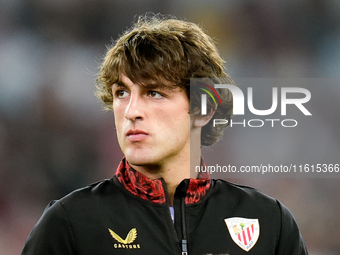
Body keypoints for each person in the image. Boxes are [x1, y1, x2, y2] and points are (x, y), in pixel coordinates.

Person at [22, 14, 308, 255]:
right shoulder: (70, 223)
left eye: (154, 93)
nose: (132, 111)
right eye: (122, 93)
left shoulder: (270, 223)